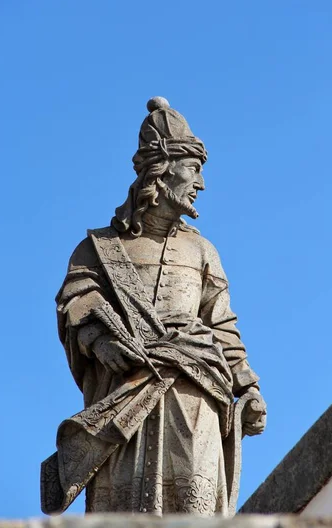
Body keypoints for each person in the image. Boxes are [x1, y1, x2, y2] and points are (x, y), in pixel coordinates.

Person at [41, 97, 266, 516]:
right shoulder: (98, 249)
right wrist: (101, 342)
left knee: (194, 508)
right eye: (195, 170)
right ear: (162, 171)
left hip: (195, 395)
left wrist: (248, 388)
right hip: (124, 400)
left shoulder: (202, 251)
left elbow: (222, 325)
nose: (202, 184)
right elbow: (75, 305)